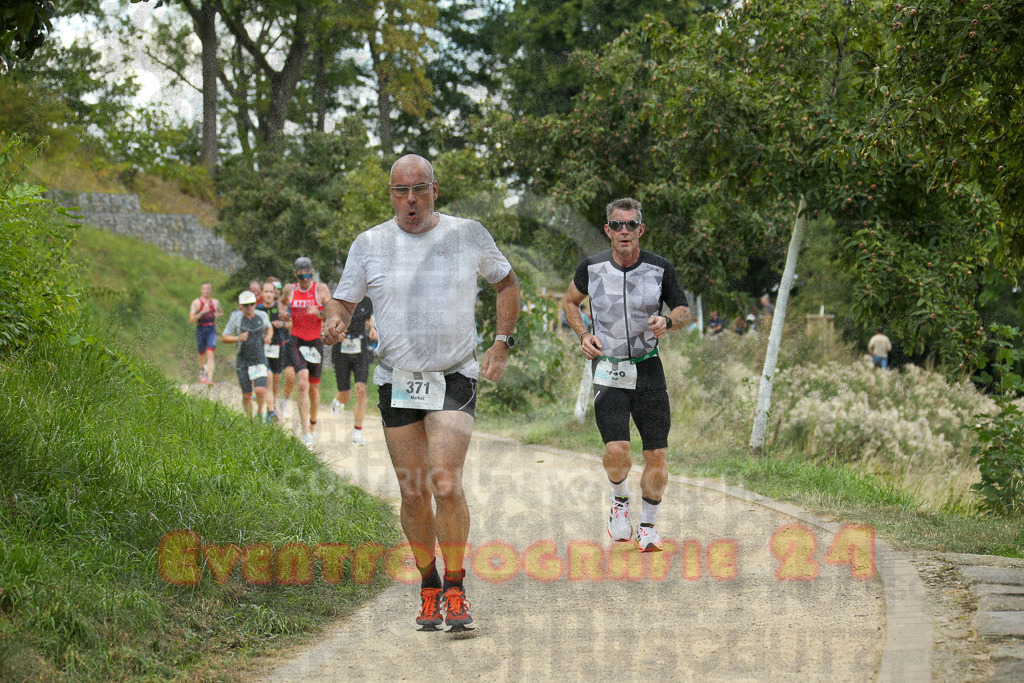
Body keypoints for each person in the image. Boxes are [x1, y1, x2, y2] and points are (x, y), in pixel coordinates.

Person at [323, 154, 520, 631]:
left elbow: (508, 284)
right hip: (398, 378)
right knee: (413, 493)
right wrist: (335, 318)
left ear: (435, 190)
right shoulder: (369, 243)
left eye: (419, 189)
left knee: (444, 482)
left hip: (454, 374)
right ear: (390, 194)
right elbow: (344, 299)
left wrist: (501, 341)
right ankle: (429, 585)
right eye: (400, 191)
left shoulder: (467, 233)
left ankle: (456, 587)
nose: (410, 200)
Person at [561, 197, 690, 553]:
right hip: (608, 368)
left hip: (648, 367)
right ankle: (620, 499)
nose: (624, 231)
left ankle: (647, 525)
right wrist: (584, 334)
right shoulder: (591, 267)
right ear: (607, 230)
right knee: (617, 450)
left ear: (640, 230)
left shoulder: (660, 269)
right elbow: (570, 302)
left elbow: (683, 310)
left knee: (657, 455)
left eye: (631, 225)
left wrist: (668, 321)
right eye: (617, 225)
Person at [281, 257, 332, 447]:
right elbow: (281, 304)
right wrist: (283, 313)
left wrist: (318, 312)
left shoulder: (321, 289)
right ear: (295, 274)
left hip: (315, 342)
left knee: (314, 389)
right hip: (296, 339)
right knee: (302, 383)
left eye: (308, 275)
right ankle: (304, 433)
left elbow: (331, 313)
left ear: (312, 273)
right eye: (301, 276)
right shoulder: (289, 289)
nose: (305, 279)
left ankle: (313, 424)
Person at [330, 295, 378, 446]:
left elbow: (369, 320)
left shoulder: (367, 301)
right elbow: (328, 322)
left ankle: (357, 433)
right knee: (345, 396)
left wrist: (372, 328)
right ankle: (338, 400)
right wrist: (336, 332)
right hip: (341, 351)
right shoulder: (337, 301)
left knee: (361, 390)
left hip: (360, 350)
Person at [221, 290, 273, 417]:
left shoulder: (262, 315)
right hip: (243, 359)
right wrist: (238, 338)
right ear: (240, 306)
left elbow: (269, 327)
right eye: (246, 305)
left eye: (251, 304)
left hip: (259, 358)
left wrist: (268, 337)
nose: (249, 307)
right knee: (247, 395)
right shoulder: (236, 318)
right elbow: (224, 337)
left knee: (260, 390)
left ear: (255, 304)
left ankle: (260, 412)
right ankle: (249, 421)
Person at [256, 280, 292, 422]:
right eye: (266, 291)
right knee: (268, 377)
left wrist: (282, 323)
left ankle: (272, 406)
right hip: (262, 347)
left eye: (271, 292)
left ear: (275, 293)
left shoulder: (281, 308)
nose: (269, 294)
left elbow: (292, 324)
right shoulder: (257, 309)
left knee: (276, 379)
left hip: (278, 347)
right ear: (261, 293)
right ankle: (270, 410)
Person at [188, 282, 224, 386]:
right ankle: (202, 370)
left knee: (210, 354)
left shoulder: (215, 302)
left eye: (209, 289)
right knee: (201, 354)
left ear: (211, 290)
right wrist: (202, 312)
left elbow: (221, 312)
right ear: (201, 290)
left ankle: (210, 379)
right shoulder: (196, 303)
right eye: (205, 289)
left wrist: (218, 314)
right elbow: (191, 319)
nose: (207, 291)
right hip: (200, 329)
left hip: (211, 329)